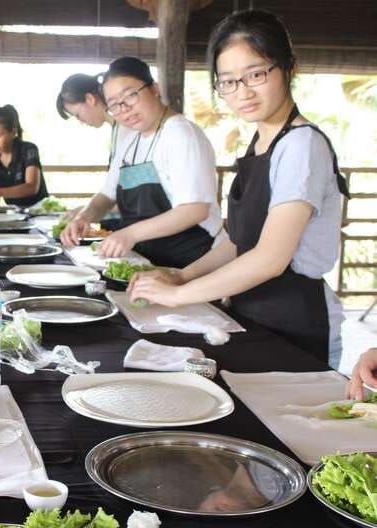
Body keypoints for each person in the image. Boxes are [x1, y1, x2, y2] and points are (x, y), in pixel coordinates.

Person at [129, 10, 349, 369]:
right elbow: (237, 242)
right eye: (228, 81)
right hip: (252, 314)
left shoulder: (302, 145)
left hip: (295, 323)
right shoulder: (260, 142)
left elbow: (270, 258)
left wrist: (180, 294)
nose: (242, 92)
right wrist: (182, 275)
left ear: (288, 68)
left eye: (256, 74)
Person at [61, 57, 224, 269]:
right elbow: (107, 194)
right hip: (150, 262)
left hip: (194, 261)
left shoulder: (181, 135)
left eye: (130, 96)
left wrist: (129, 234)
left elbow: (194, 210)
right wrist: (84, 218)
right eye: (114, 105)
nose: (124, 109)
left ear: (154, 88)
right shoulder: (131, 140)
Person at [56, 72, 117, 221]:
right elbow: (116, 191)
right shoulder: (118, 130)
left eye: (77, 115)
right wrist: (86, 211)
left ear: (90, 99)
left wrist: (87, 212)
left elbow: (133, 196)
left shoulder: (128, 129)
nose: (81, 121)